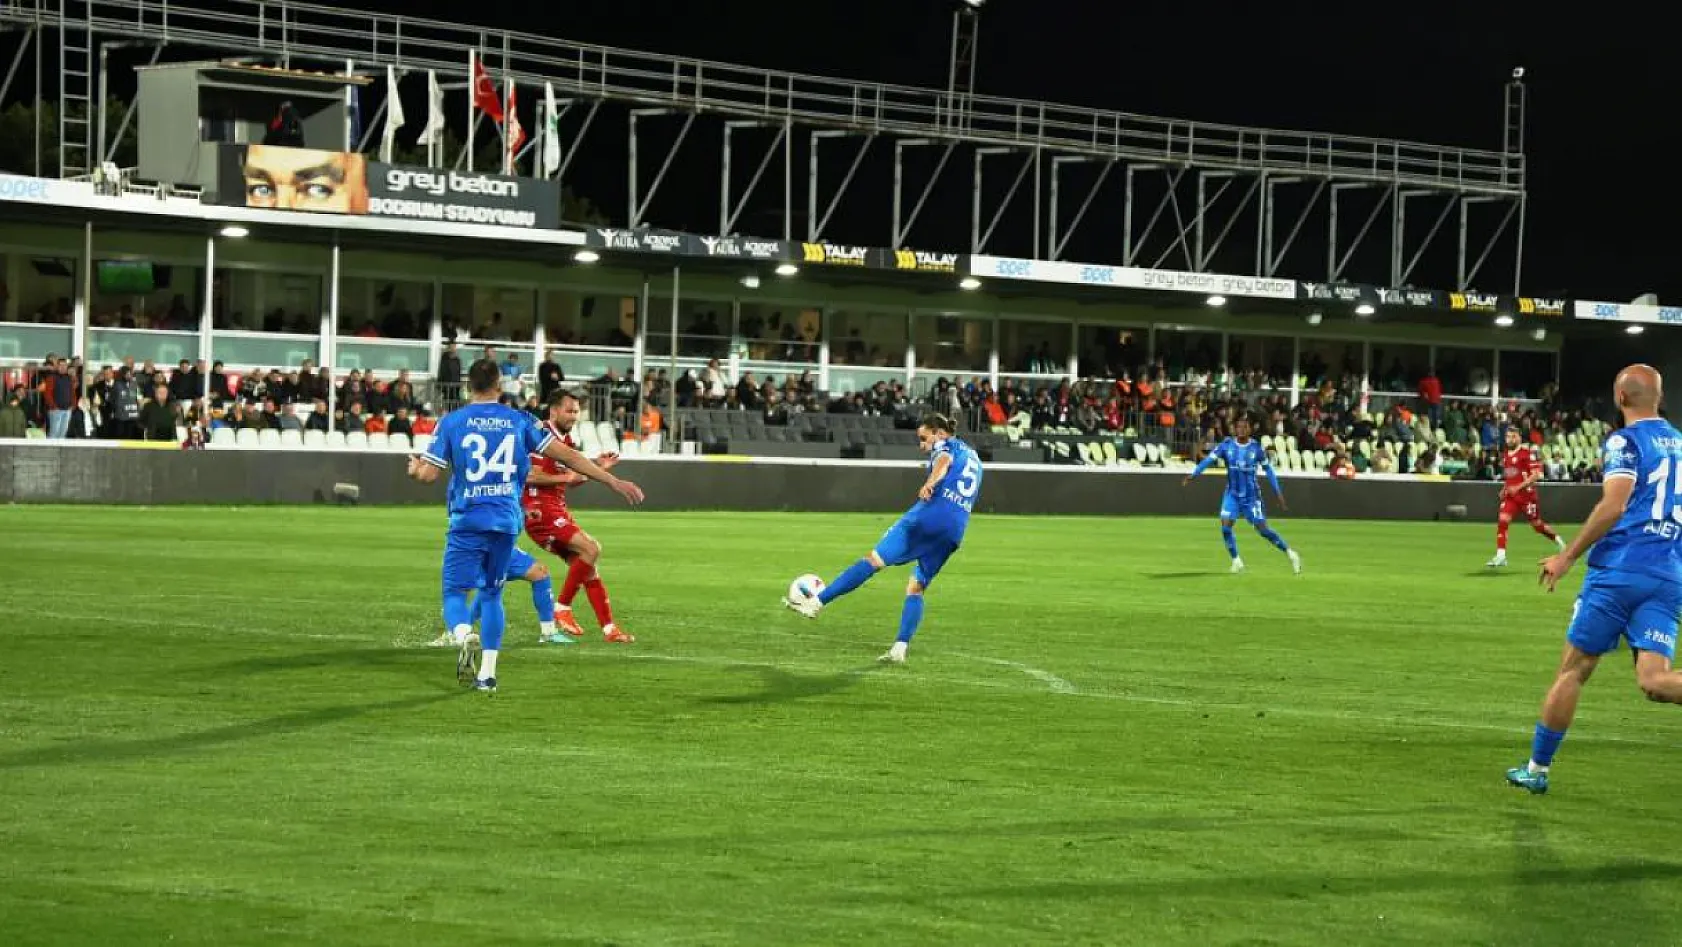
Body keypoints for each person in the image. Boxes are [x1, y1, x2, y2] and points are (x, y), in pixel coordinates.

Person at [407, 359, 644, 693]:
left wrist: (414, 469)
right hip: (506, 521)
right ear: (500, 386)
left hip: (468, 519)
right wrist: (612, 481)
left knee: (454, 594)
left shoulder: (451, 422)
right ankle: (487, 676)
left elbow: (428, 475)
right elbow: (570, 457)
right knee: (492, 594)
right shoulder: (520, 420)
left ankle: (463, 635)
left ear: (467, 386)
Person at [1508, 364, 1682, 794]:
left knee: (1574, 669)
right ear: (1657, 397)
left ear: (1621, 398)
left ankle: (1536, 769)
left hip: (1619, 571)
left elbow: (1614, 505)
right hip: (1668, 573)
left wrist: (1567, 556)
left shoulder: (1624, 441)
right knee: (1655, 681)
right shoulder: (1680, 444)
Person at [783, 412, 980, 664]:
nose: (922, 446)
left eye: (923, 439)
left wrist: (930, 482)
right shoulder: (973, 456)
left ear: (938, 432)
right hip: (955, 529)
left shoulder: (945, 444)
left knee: (874, 560)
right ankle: (900, 648)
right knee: (916, 587)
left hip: (928, 516)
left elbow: (943, 460)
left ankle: (816, 603)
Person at [523, 390, 632, 644]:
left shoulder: (567, 442)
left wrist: (597, 467)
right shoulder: (541, 436)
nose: (574, 416)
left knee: (588, 566)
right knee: (591, 548)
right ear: (554, 410)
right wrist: (565, 477)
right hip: (540, 510)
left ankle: (609, 630)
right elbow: (529, 475)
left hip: (556, 509)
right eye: (569, 410)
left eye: (576, 411)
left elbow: (574, 478)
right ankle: (562, 608)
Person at [1182, 414, 1302, 574]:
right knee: (1225, 526)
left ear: (1249, 430)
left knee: (1263, 530)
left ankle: (1290, 553)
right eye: (1238, 427)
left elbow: (1269, 471)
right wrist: (1194, 474)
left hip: (1251, 497)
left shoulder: (1256, 449)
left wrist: (1278, 493)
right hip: (1232, 494)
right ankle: (1236, 561)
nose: (1240, 430)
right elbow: (1208, 460)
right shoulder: (1227, 446)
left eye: (1244, 427)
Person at [1487, 426, 1566, 568]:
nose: (1510, 439)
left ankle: (1559, 541)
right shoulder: (1505, 455)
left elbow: (1535, 475)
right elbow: (1510, 475)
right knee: (1503, 520)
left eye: (1513, 436)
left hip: (1527, 497)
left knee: (1537, 526)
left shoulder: (1527, 454)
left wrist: (1517, 487)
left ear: (1519, 438)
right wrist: (1504, 488)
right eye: (1508, 437)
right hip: (1511, 497)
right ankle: (1501, 556)